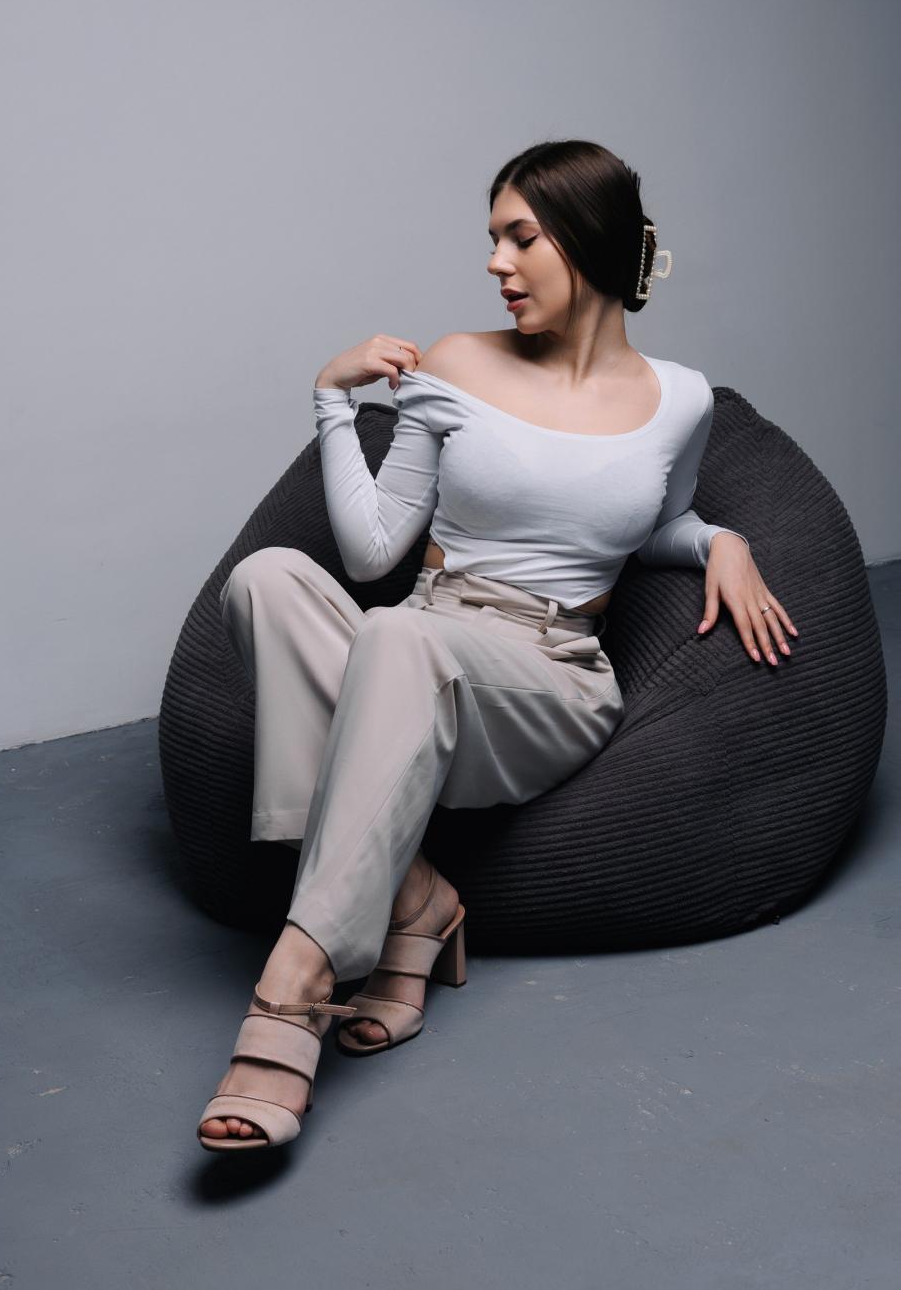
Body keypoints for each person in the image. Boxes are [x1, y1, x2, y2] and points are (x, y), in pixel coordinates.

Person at [196, 139, 798, 1153]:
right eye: (493, 240)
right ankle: (416, 899)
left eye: (520, 238)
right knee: (268, 579)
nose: (495, 263)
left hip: (548, 677)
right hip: (419, 635)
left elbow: (654, 521)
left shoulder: (680, 397)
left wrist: (720, 542)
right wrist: (333, 402)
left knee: (400, 639)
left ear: (587, 238)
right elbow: (372, 549)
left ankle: (295, 982)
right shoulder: (458, 363)